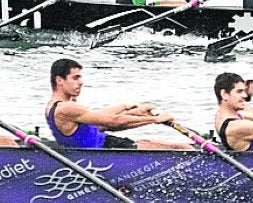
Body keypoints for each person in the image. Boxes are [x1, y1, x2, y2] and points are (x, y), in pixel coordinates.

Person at [46, 58, 184, 150]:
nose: (81, 82)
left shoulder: (56, 105)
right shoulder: (66, 108)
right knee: (182, 148)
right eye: (75, 78)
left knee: (159, 144)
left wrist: (128, 110)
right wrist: (155, 119)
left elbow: (97, 120)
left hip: (107, 144)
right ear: (59, 80)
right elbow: (113, 122)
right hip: (105, 152)